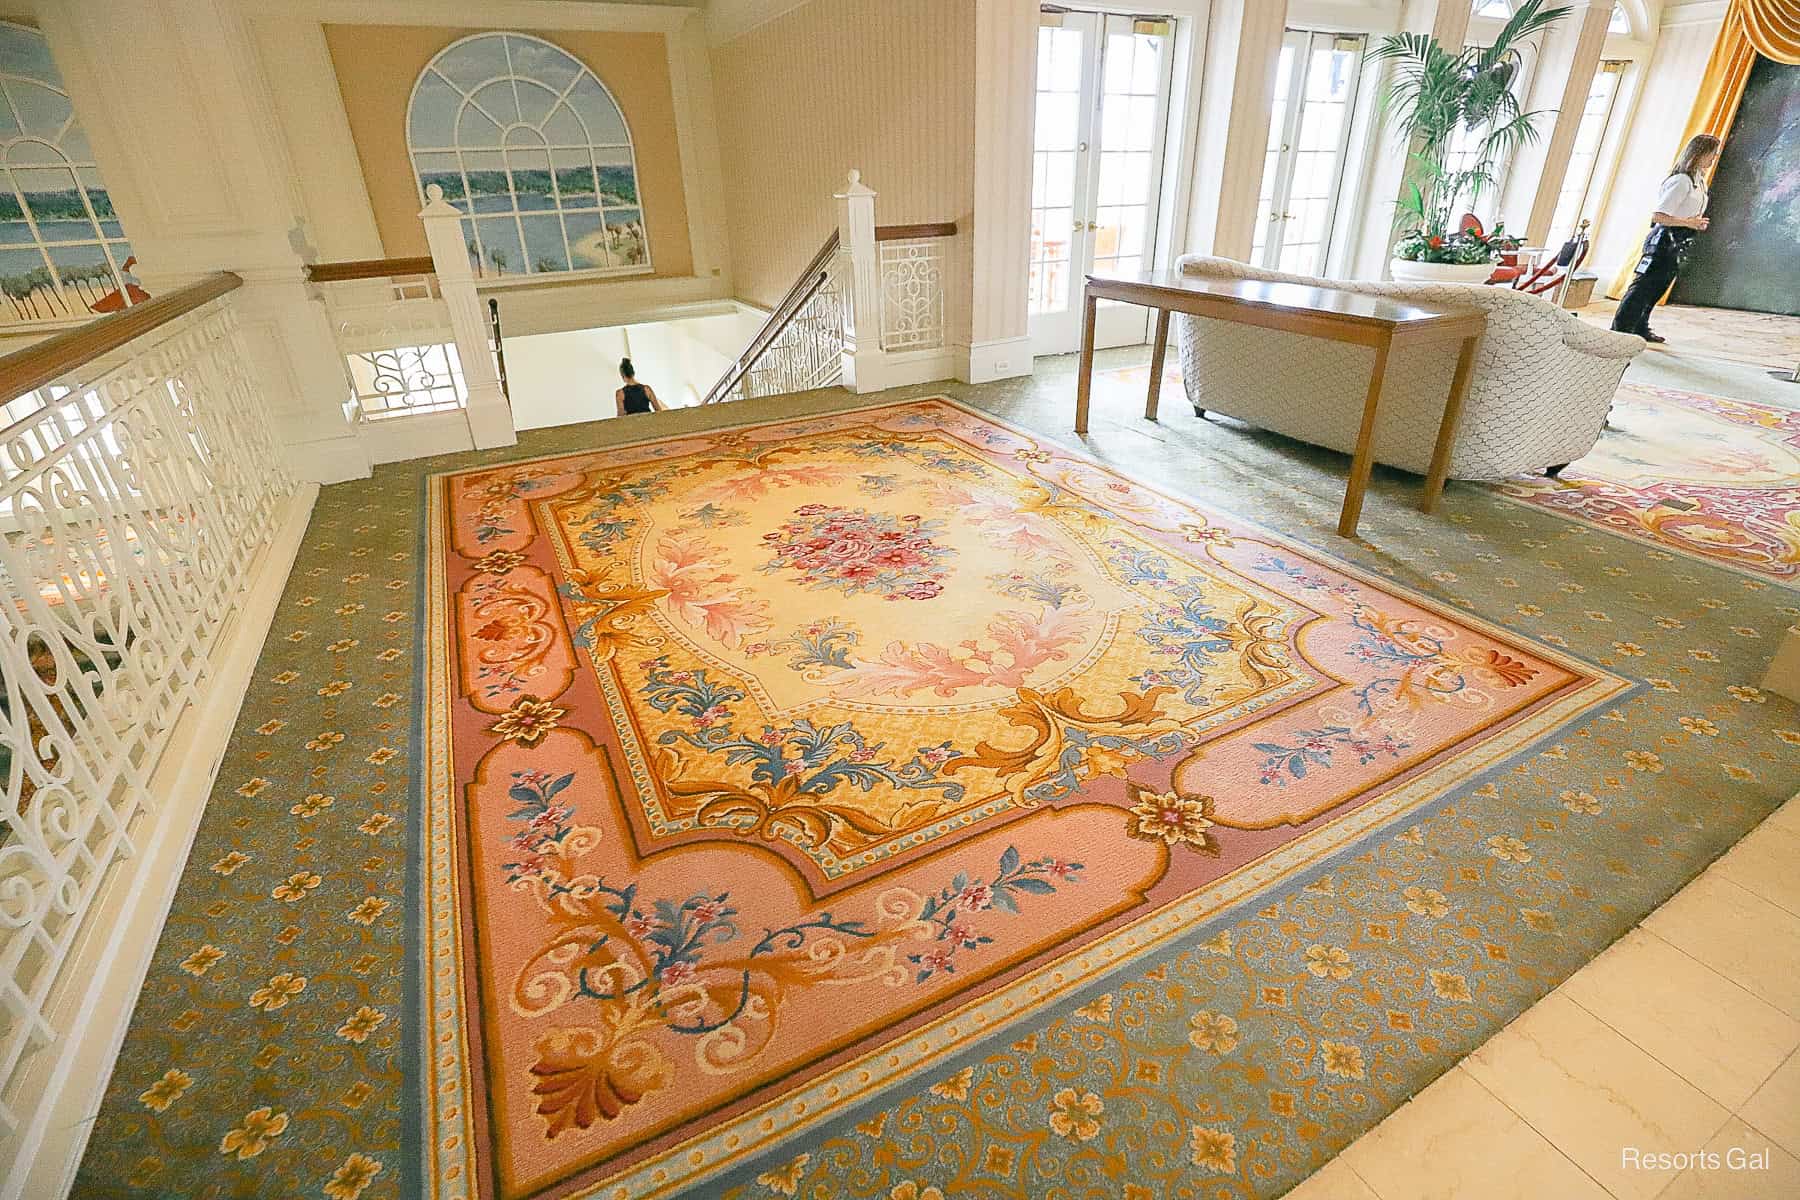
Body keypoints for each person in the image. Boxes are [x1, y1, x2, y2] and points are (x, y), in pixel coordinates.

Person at [1611, 133, 1720, 345]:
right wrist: (1688, 222)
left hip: (1679, 240)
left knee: (1658, 288)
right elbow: (1659, 215)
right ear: (1699, 153)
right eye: (1711, 154)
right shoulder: (1681, 181)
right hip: (1664, 240)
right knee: (1642, 287)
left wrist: (1694, 223)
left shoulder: (1698, 180)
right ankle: (1620, 329)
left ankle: (1640, 327)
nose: (1713, 159)